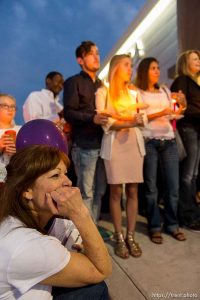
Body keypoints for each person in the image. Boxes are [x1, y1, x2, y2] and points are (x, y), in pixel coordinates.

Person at [0, 145, 112, 299]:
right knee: (96, 289)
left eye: (65, 174)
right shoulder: (24, 245)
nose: (68, 182)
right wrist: (79, 212)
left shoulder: (44, 220)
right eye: (55, 176)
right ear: (27, 190)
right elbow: (101, 270)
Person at [96, 54, 147, 258]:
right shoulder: (103, 92)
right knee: (116, 192)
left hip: (133, 144)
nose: (130, 69)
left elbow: (142, 119)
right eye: (126, 65)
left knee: (133, 191)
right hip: (114, 145)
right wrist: (130, 121)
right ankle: (118, 236)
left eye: (131, 65)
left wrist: (132, 120)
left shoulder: (134, 94)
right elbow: (106, 123)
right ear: (116, 68)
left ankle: (131, 235)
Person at [135, 57, 186, 243]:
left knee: (173, 186)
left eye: (158, 68)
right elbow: (140, 117)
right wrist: (161, 113)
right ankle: (154, 225)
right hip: (149, 140)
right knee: (151, 187)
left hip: (169, 139)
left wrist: (182, 103)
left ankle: (172, 224)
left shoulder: (165, 90)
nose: (157, 71)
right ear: (144, 71)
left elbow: (176, 113)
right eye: (153, 68)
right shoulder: (139, 93)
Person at [63, 41, 108, 223]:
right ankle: (86, 235)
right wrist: (92, 118)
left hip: (104, 144)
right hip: (84, 144)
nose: (97, 56)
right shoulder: (74, 82)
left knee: (100, 190)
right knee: (86, 192)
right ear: (80, 60)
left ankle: (94, 227)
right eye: (91, 53)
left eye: (98, 52)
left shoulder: (102, 85)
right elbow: (69, 113)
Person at [170, 50, 200, 231]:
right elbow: (179, 108)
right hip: (188, 128)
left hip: (196, 129)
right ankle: (187, 215)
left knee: (194, 174)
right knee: (188, 175)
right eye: (195, 59)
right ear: (185, 63)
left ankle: (193, 212)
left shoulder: (195, 83)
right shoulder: (182, 81)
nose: (199, 61)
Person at [0, 93, 21, 184]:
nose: (10, 109)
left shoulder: (21, 130)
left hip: (16, 177)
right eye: (5, 106)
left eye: (13, 107)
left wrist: (19, 151)